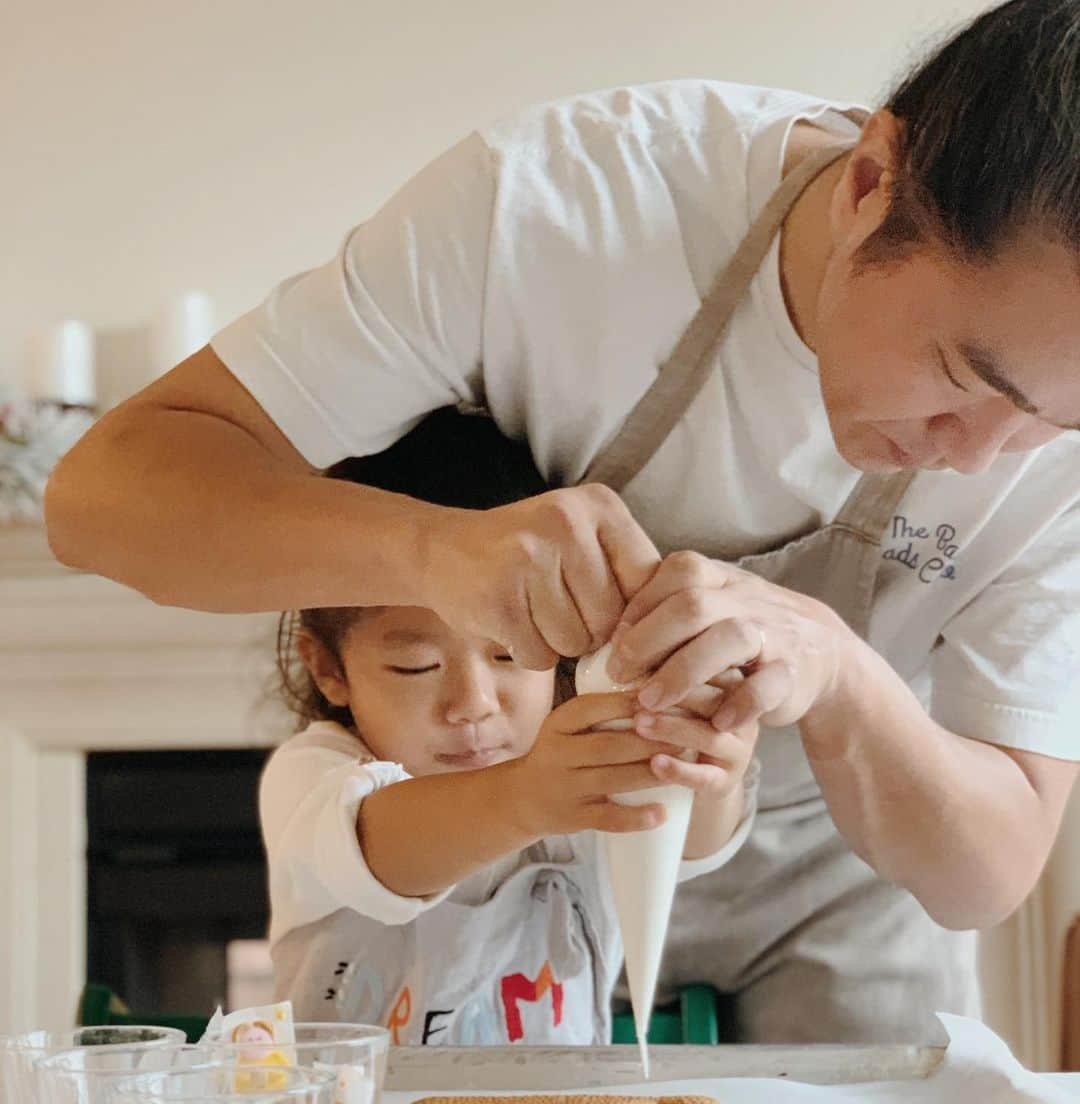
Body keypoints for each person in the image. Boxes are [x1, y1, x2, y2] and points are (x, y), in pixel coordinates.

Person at [45, 0, 1080, 1042]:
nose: (978, 456)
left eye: (1051, 421)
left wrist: (840, 670)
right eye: (961, 374)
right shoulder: (556, 211)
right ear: (868, 183)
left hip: (840, 890)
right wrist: (431, 553)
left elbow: (989, 872)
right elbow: (103, 501)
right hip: (497, 881)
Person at [262, 409, 759, 1045]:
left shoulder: (579, 762)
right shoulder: (312, 775)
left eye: (509, 654)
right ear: (329, 667)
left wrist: (710, 759)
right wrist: (527, 797)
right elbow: (380, 850)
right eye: (416, 666)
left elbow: (691, 843)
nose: (471, 703)